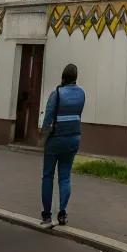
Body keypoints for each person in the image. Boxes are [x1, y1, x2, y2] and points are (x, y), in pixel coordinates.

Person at [39, 62, 85, 227]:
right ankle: (62, 214)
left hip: (56, 140)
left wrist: (42, 136)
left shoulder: (57, 93)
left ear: (63, 77)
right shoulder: (82, 94)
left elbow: (47, 120)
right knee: (65, 177)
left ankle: (46, 215)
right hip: (73, 138)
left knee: (48, 176)